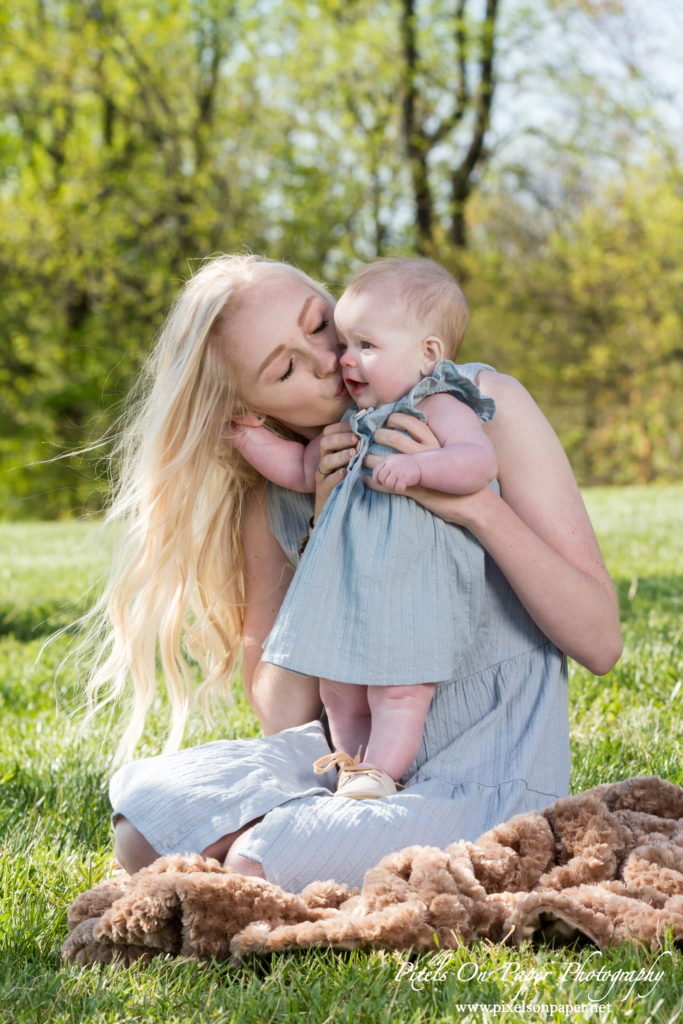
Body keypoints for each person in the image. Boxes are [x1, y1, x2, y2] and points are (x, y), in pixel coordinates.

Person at [91, 253, 622, 892]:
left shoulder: (478, 405)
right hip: (351, 762)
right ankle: (325, 828)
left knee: (257, 862)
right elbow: (284, 717)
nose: (327, 361)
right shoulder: (274, 494)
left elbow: (600, 642)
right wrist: (323, 529)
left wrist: (477, 507)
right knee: (143, 826)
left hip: (486, 767)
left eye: (320, 326)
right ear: (248, 410)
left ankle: (311, 841)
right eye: (285, 368)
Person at [232, 258, 498, 799]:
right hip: (355, 598)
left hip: (414, 592)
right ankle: (348, 772)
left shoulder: (438, 403)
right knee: (339, 691)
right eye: (348, 342)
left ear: (427, 354)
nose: (342, 360)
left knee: (401, 692)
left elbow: (478, 462)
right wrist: (243, 437)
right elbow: (300, 470)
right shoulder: (353, 422)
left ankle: (382, 771)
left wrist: (422, 470)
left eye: (363, 346)